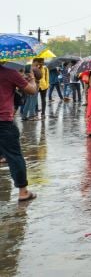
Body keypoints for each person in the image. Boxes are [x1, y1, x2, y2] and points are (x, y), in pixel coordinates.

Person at [0, 62, 38, 202]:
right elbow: (32, 90)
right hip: (4, 122)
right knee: (15, 157)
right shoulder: (10, 73)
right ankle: (23, 192)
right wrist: (32, 78)